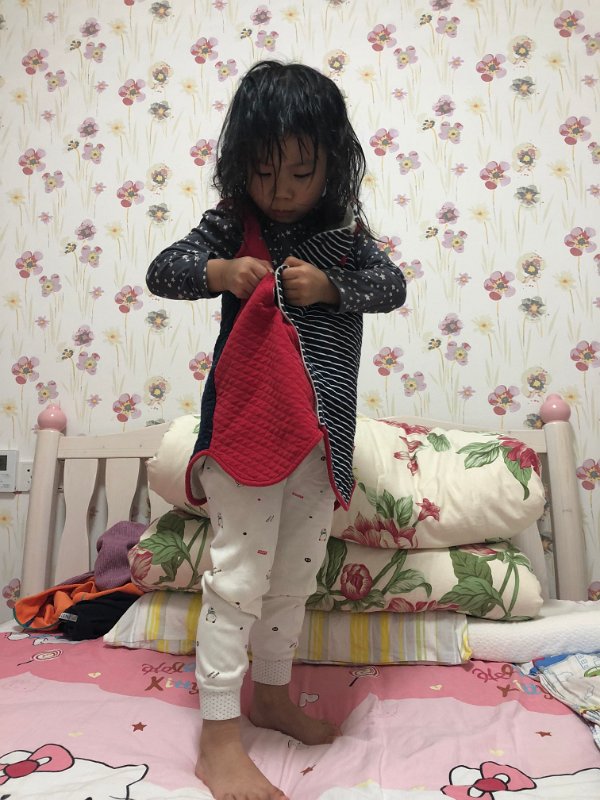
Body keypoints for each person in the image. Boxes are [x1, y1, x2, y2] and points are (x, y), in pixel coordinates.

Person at [146, 59, 406, 800]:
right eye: (264, 172)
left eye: (300, 171)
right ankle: (218, 736)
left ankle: (272, 696)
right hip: (248, 437)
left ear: (332, 163)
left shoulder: (346, 234)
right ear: (241, 166)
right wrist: (223, 271)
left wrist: (332, 288)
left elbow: (392, 286)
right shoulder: (235, 220)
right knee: (238, 580)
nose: (282, 189)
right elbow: (164, 269)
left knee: (294, 575)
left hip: (319, 437)